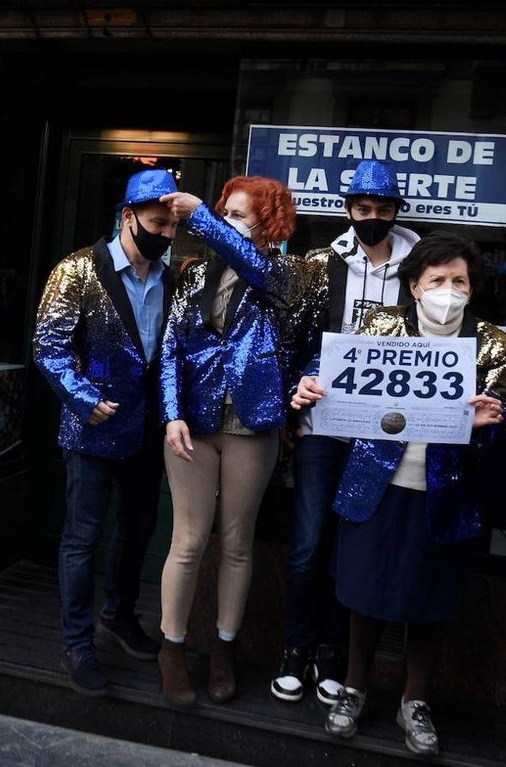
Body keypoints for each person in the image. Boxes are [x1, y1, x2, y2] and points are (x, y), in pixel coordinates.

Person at [293, 231, 506, 755]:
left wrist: (489, 424)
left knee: (431, 599)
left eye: (459, 281)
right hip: (376, 483)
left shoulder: (493, 345)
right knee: (363, 591)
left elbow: (502, 425)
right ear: (414, 286)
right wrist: (306, 384)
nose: (448, 290)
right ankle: (353, 688)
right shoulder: (381, 324)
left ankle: (415, 701)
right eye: (437, 280)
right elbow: (332, 369)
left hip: (444, 492)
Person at [272, 159, 421, 707]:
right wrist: (294, 392)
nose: (372, 218)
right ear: (348, 209)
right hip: (322, 424)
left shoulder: (419, 269)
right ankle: (295, 648)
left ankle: (333, 654)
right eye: (363, 209)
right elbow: (294, 337)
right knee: (309, 543)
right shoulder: (320, 264)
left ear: (396, 210)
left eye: (382, 209)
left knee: (351, 545)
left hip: (383, 432)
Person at [33, 168, 179, 696]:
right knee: (82, 538)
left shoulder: (170, 279)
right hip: (92, 429)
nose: (166, 234)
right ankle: (77, 643)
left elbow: (166, 355)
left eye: (172, 226)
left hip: (145, 431)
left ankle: (118, 615)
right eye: (157, 224)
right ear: (128, 217)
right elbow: (48, 345)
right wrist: (83, 399)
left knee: (139, 529)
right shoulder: (76, 270)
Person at [156, 177, 297, 707]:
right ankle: (172, 649)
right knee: (188, 541)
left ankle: (223, 650)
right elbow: (171, 347)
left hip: (251, 423)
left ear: (268, 226)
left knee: (237, 544)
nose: (228, 222)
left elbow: (259, 272)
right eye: (225, 213)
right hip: (193, 419)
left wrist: (203, 219)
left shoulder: (282, 274)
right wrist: (171, 414)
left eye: (240, 216)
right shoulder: (195, 274)